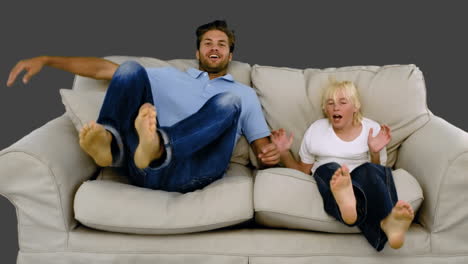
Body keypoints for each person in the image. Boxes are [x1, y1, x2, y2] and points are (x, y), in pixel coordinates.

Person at [7, 20, 280, 193]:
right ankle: (111, 144)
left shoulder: (242, 93)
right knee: (128, 69)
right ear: (197, 53)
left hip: (196, 170)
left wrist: (274, 155)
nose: (214, 48)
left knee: (228, 101)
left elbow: (263, 150)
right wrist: (47, 59)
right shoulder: (168, 76)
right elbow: (103, 68)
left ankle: (159, 144)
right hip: (144, 165)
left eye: (221, 44)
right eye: (207, 43)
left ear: (230, 55)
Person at [271, 80, 414, 251]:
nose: (335, 108)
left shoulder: (371, 129)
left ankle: (383, 223)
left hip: (362, 180)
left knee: (370, 170)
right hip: (332, 178)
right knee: (328, 169)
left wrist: (374, 151)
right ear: (325, 109)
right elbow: (303, 170)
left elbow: (377, 173)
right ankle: (350, 208)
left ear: (355, 107)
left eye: (342, 102)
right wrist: (284, 153)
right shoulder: (316, 130)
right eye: (330, 103)